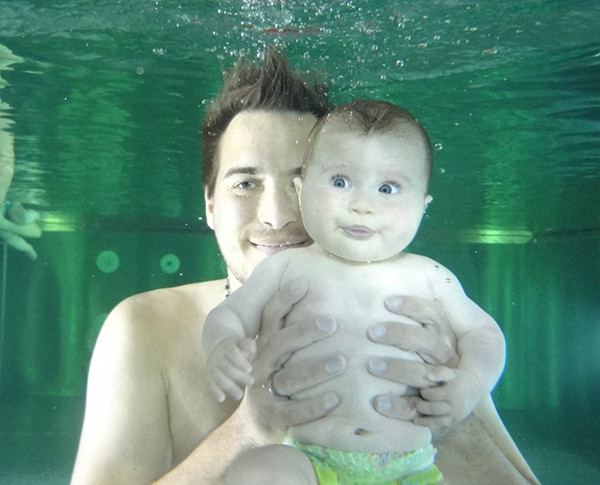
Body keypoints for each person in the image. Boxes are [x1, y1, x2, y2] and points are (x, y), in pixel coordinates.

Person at [71, 49, 539, 485]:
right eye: (245, 183)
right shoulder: (144, 328)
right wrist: (247, 433)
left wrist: (450, 420)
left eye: (300, 182)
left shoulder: (421, 322)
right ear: (209, 203)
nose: (277, 215)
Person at [202, 100, 506, 484]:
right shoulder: (284, 268)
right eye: (341, 182)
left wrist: (473, 383)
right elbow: (229, 313)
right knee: (257, 470)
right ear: (302, 189)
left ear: (422, 206)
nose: (362, 205)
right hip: (311, 461)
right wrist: (222, 345)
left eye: (388, 188)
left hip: (409, 467)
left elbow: (484, 334)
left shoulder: (431, 277)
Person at [0, 44, 41, 259]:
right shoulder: (4, 224)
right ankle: (5, 68)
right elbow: (34, 232)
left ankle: (5, 68)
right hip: (4, 204)